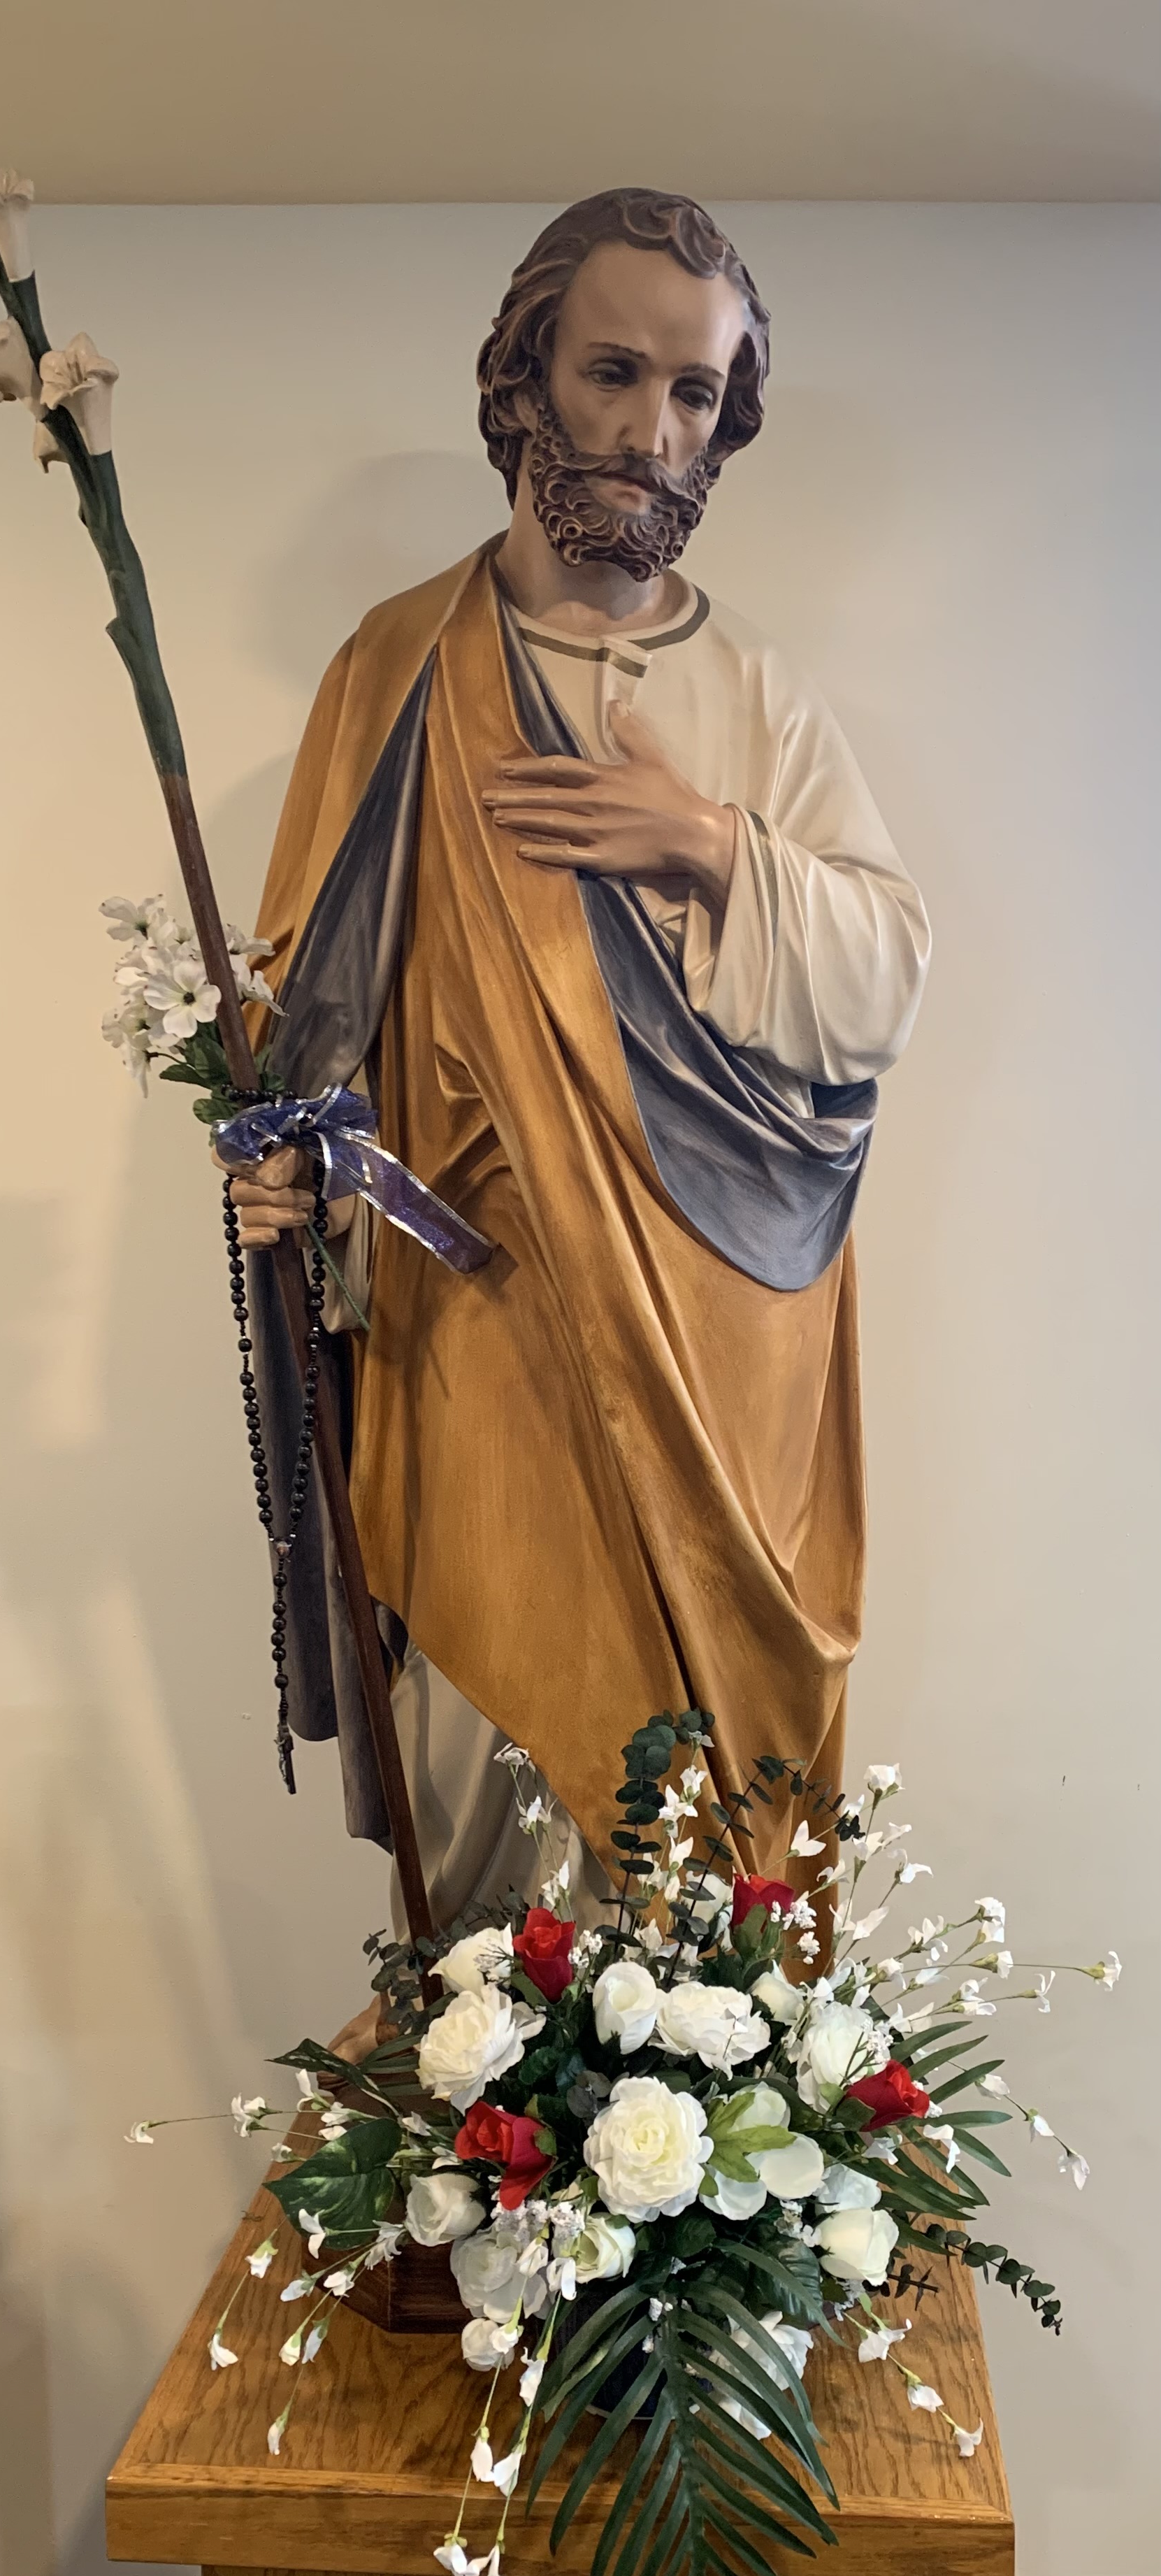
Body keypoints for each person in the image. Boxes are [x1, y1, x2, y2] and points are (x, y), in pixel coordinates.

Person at [221, 189, 930, 2005]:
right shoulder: (396, 669)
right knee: (489, 1727)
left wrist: (706, 844)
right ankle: (486, 2089)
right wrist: (279, 1173)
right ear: (523, 378)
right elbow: (291, 1030)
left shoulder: (753, 693)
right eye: (613, 372)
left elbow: (885, 976)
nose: (650, 430)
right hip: (475, 1306)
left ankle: (700, 2090)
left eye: (694, 393)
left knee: (708, 1783)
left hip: (722, 1329)